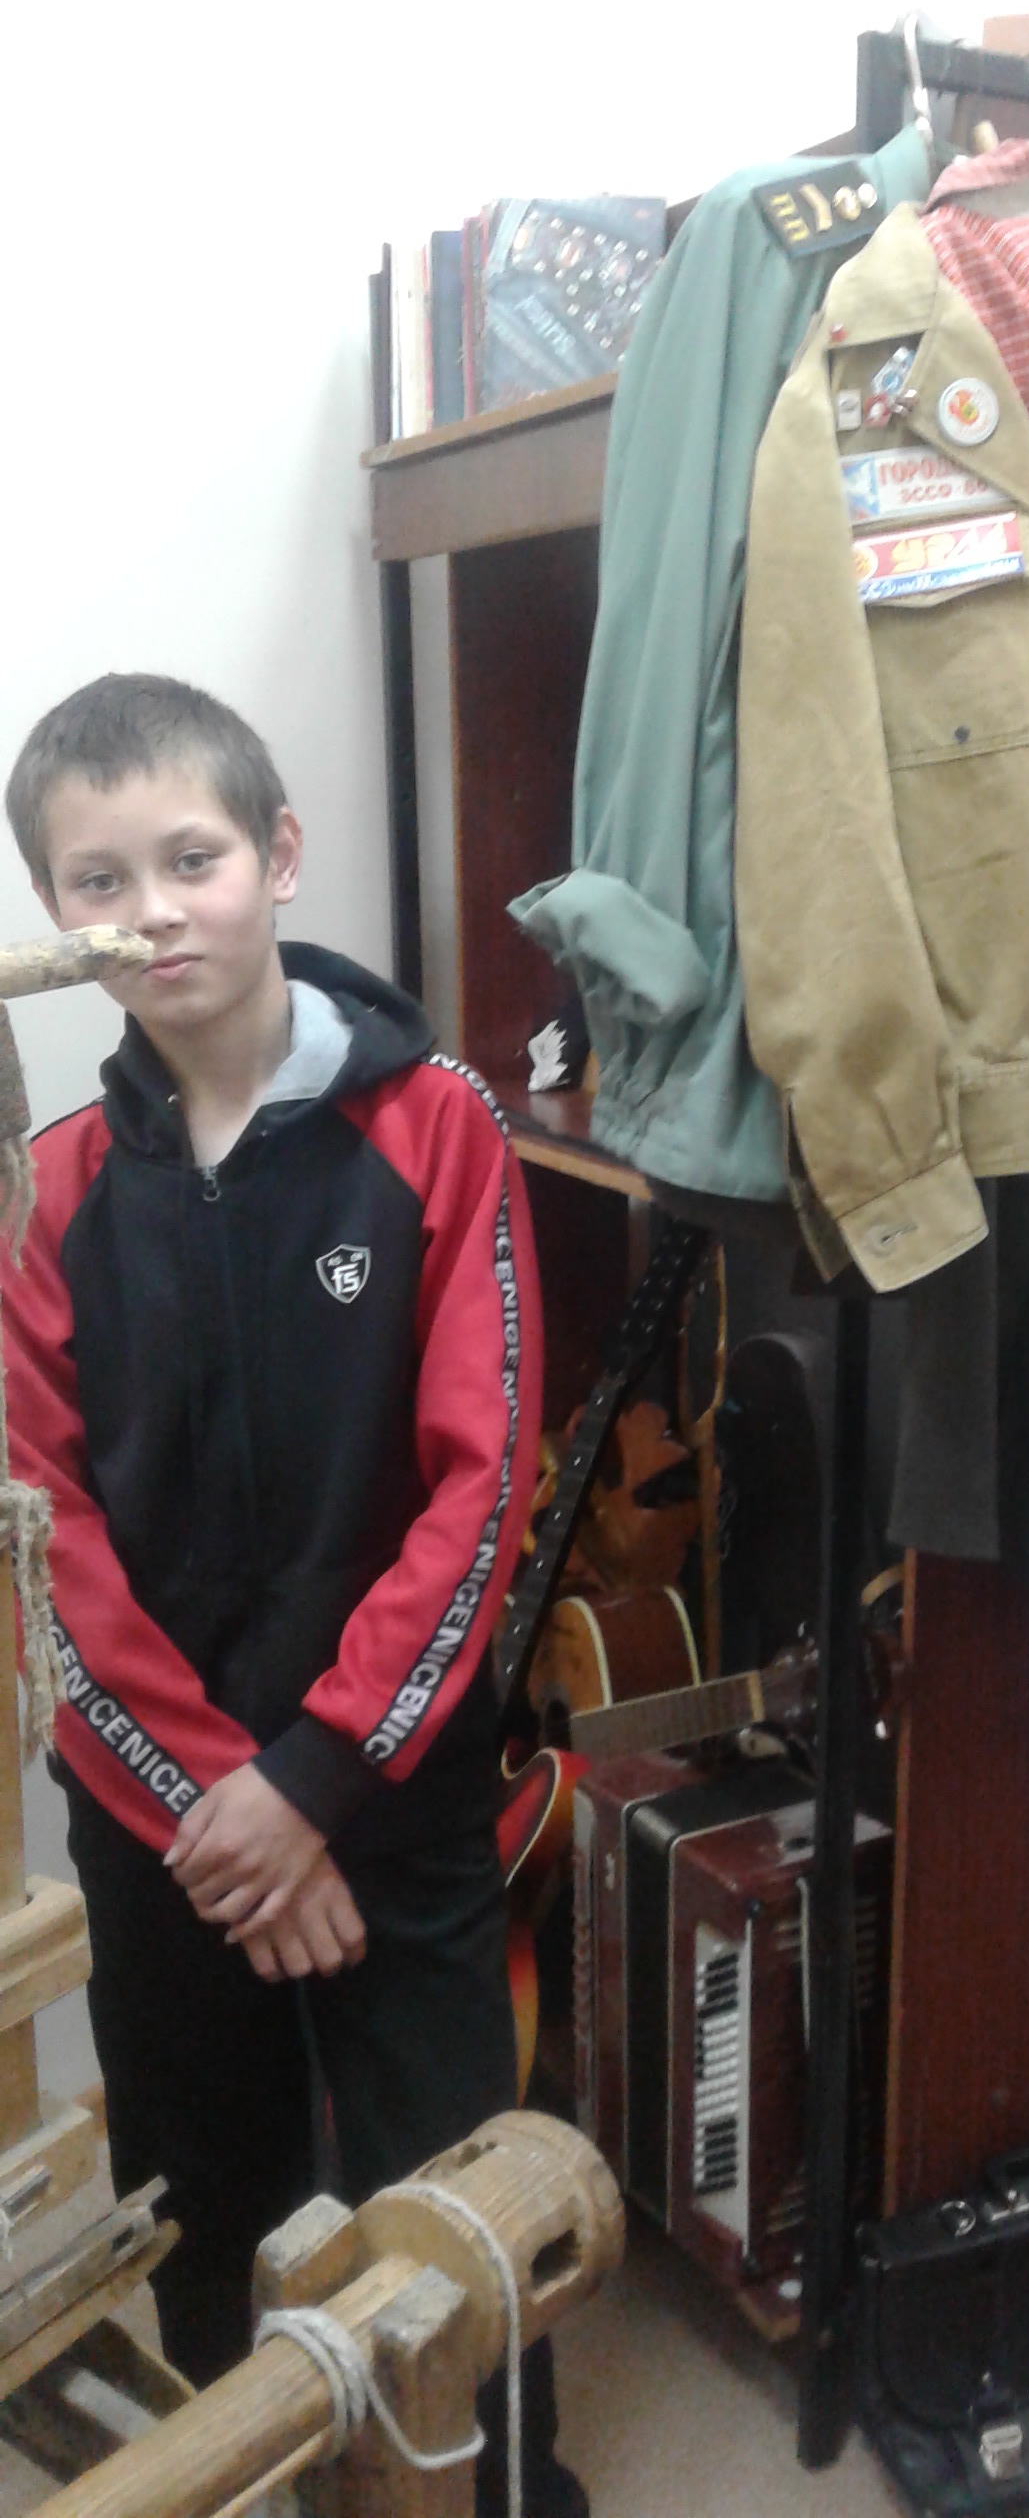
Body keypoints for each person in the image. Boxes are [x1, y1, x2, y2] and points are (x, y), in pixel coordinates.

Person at [3, 672, 586, 2517]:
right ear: (53, 916)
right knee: (208, 2210)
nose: (152, 913)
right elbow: (44, 1542)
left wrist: (315, 1781)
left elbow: (482, 1487)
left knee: (454, 2227)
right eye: (98, 883)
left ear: (279, 855)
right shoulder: (49, 1190)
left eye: (191, 859)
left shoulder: (440, 1124)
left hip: (392, 1797)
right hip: (169, 1838)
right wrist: (219, 1812)